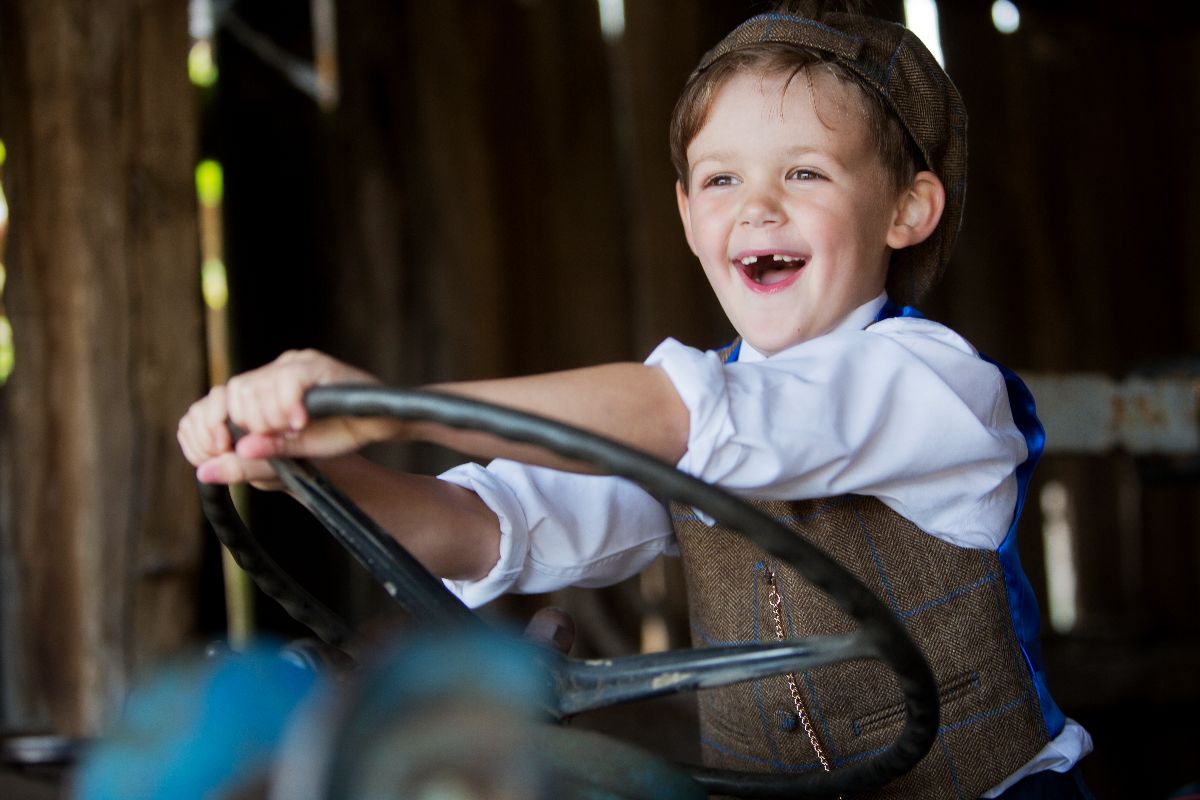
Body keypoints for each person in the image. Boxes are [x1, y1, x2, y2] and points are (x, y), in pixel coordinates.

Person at [177, 4, 1093, 797]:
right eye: (721, 178)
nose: (756, 206)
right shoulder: (682, 420)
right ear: (690, 215)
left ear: (906, 210)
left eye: (805, 172)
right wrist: (322, 472)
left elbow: (693, 418)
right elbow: (493, 527)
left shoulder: (928, 383)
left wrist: (400, 406)